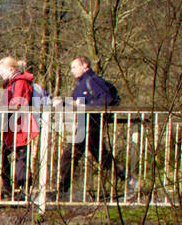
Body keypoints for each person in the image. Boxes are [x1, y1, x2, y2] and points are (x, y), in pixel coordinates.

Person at [58, 56, 139, 200]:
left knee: (70, 155)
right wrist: (63, 103)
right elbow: (78, 103)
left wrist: (88, 107)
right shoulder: (82, 84)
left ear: (85, 66)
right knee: (101, 156)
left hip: (91, 123)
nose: (72, 71)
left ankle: (63, 191)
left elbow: (105, 99)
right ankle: (130, 180)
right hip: (86, 122)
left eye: (75, 67)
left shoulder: (93, 81)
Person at [0, 56, 36, 201]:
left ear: (11, 69)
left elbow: (18, 103)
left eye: (1, 70)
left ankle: (23, 188)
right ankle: (8, 187)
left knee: (21, 156)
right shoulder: (9, 83)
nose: (0, 74)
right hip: (10, 124)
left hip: (20, 125)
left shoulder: (20, 83)